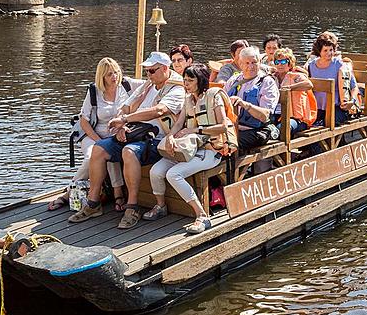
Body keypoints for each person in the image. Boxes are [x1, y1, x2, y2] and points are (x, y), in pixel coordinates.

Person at [69, 51, 184, 228]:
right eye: (147, 71)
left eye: (152, 71)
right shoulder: (148, 85)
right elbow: (126, 106)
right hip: (134, 132)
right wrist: (122, 125)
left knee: (129, 151)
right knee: (99, 148)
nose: (148, 74)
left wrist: (125, 120)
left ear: (164, 69)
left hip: (155, 138)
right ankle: (93, 203)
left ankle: (132, 206)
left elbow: (159, 110)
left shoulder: (176, 89)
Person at [147, 63, 237, 233]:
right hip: (190, 148)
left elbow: (224, 126)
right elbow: (180, 123)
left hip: (211, 150)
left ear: (200, 81)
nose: (186, 84)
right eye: (184, 80)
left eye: (190, 80)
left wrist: (196, 130)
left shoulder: (213, 96)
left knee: (173, 174)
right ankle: (161, 206)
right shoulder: (188, 99)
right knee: (156, 171)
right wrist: (171, 137)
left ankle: (202, 215)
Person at [48, 58, 142, 211]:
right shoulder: (94, 91)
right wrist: (98, 141)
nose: (114, 77)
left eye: (116, 73)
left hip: (115, 134)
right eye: (110, 74)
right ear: (102, 77)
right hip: (93, 134)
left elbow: (150, 83)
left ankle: (118, 192)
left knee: (111, 149)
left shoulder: (126, 84)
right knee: (92, 156)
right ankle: (69, 191)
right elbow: (84, 121)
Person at [224, 47, 279, 156]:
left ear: (259, 63)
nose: (251, 66)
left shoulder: (267, 82)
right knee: (212, 140)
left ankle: (234, 172)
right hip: (233, 128)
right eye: (247, 63)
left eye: (254, 62)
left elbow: (265, 116)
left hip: (257, 130)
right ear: (240, 64)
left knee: (230, 143)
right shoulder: (233, 80)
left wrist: (244, 104)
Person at [307, 33, 360, 126]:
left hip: (337, 107)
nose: (329, 53)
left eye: (331, 50)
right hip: (317, 108)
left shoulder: (340, 65)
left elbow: (354, 87)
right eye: (325, 50)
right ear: (319, 51)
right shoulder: (311, 66)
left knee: (328, 123)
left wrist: (352, 101)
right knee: (308, 124)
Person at [271, 48, 314, 137]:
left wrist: (290, 88)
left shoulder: (295, 76)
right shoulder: (272, 78)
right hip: (276, 114)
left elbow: (309, 84)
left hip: (296, 119)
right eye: (277, 62)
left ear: (289, 63)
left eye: (283, 62)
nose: (280, 65)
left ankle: (284, 149)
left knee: (282, 128)